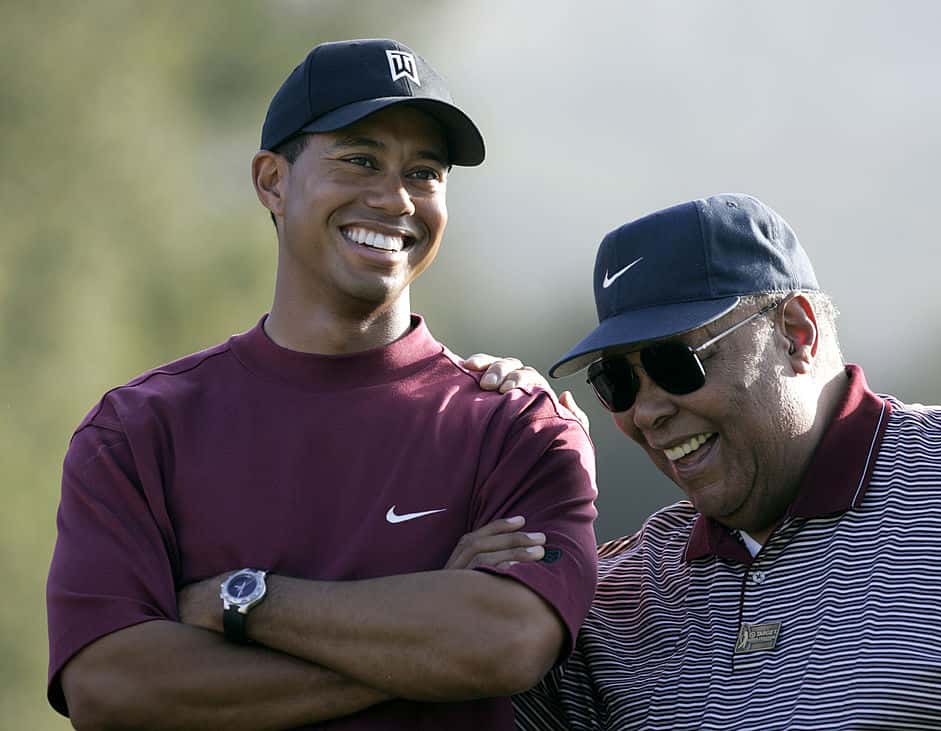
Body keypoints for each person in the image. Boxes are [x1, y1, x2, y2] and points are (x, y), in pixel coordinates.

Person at [46, 39, 598, 730]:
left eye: (424, 172)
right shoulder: (137, 430)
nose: (395, 198)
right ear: (272, 181)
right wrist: (427, 647)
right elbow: (109, 686)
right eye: (360, 160)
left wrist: (240, 603)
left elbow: (510, 641)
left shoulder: (518, 426)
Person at [499, 194, 941, 729]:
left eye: (675, 362)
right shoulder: (617, 598)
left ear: (797, 333)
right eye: (618, 382)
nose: (648, 411)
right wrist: (480, 434)